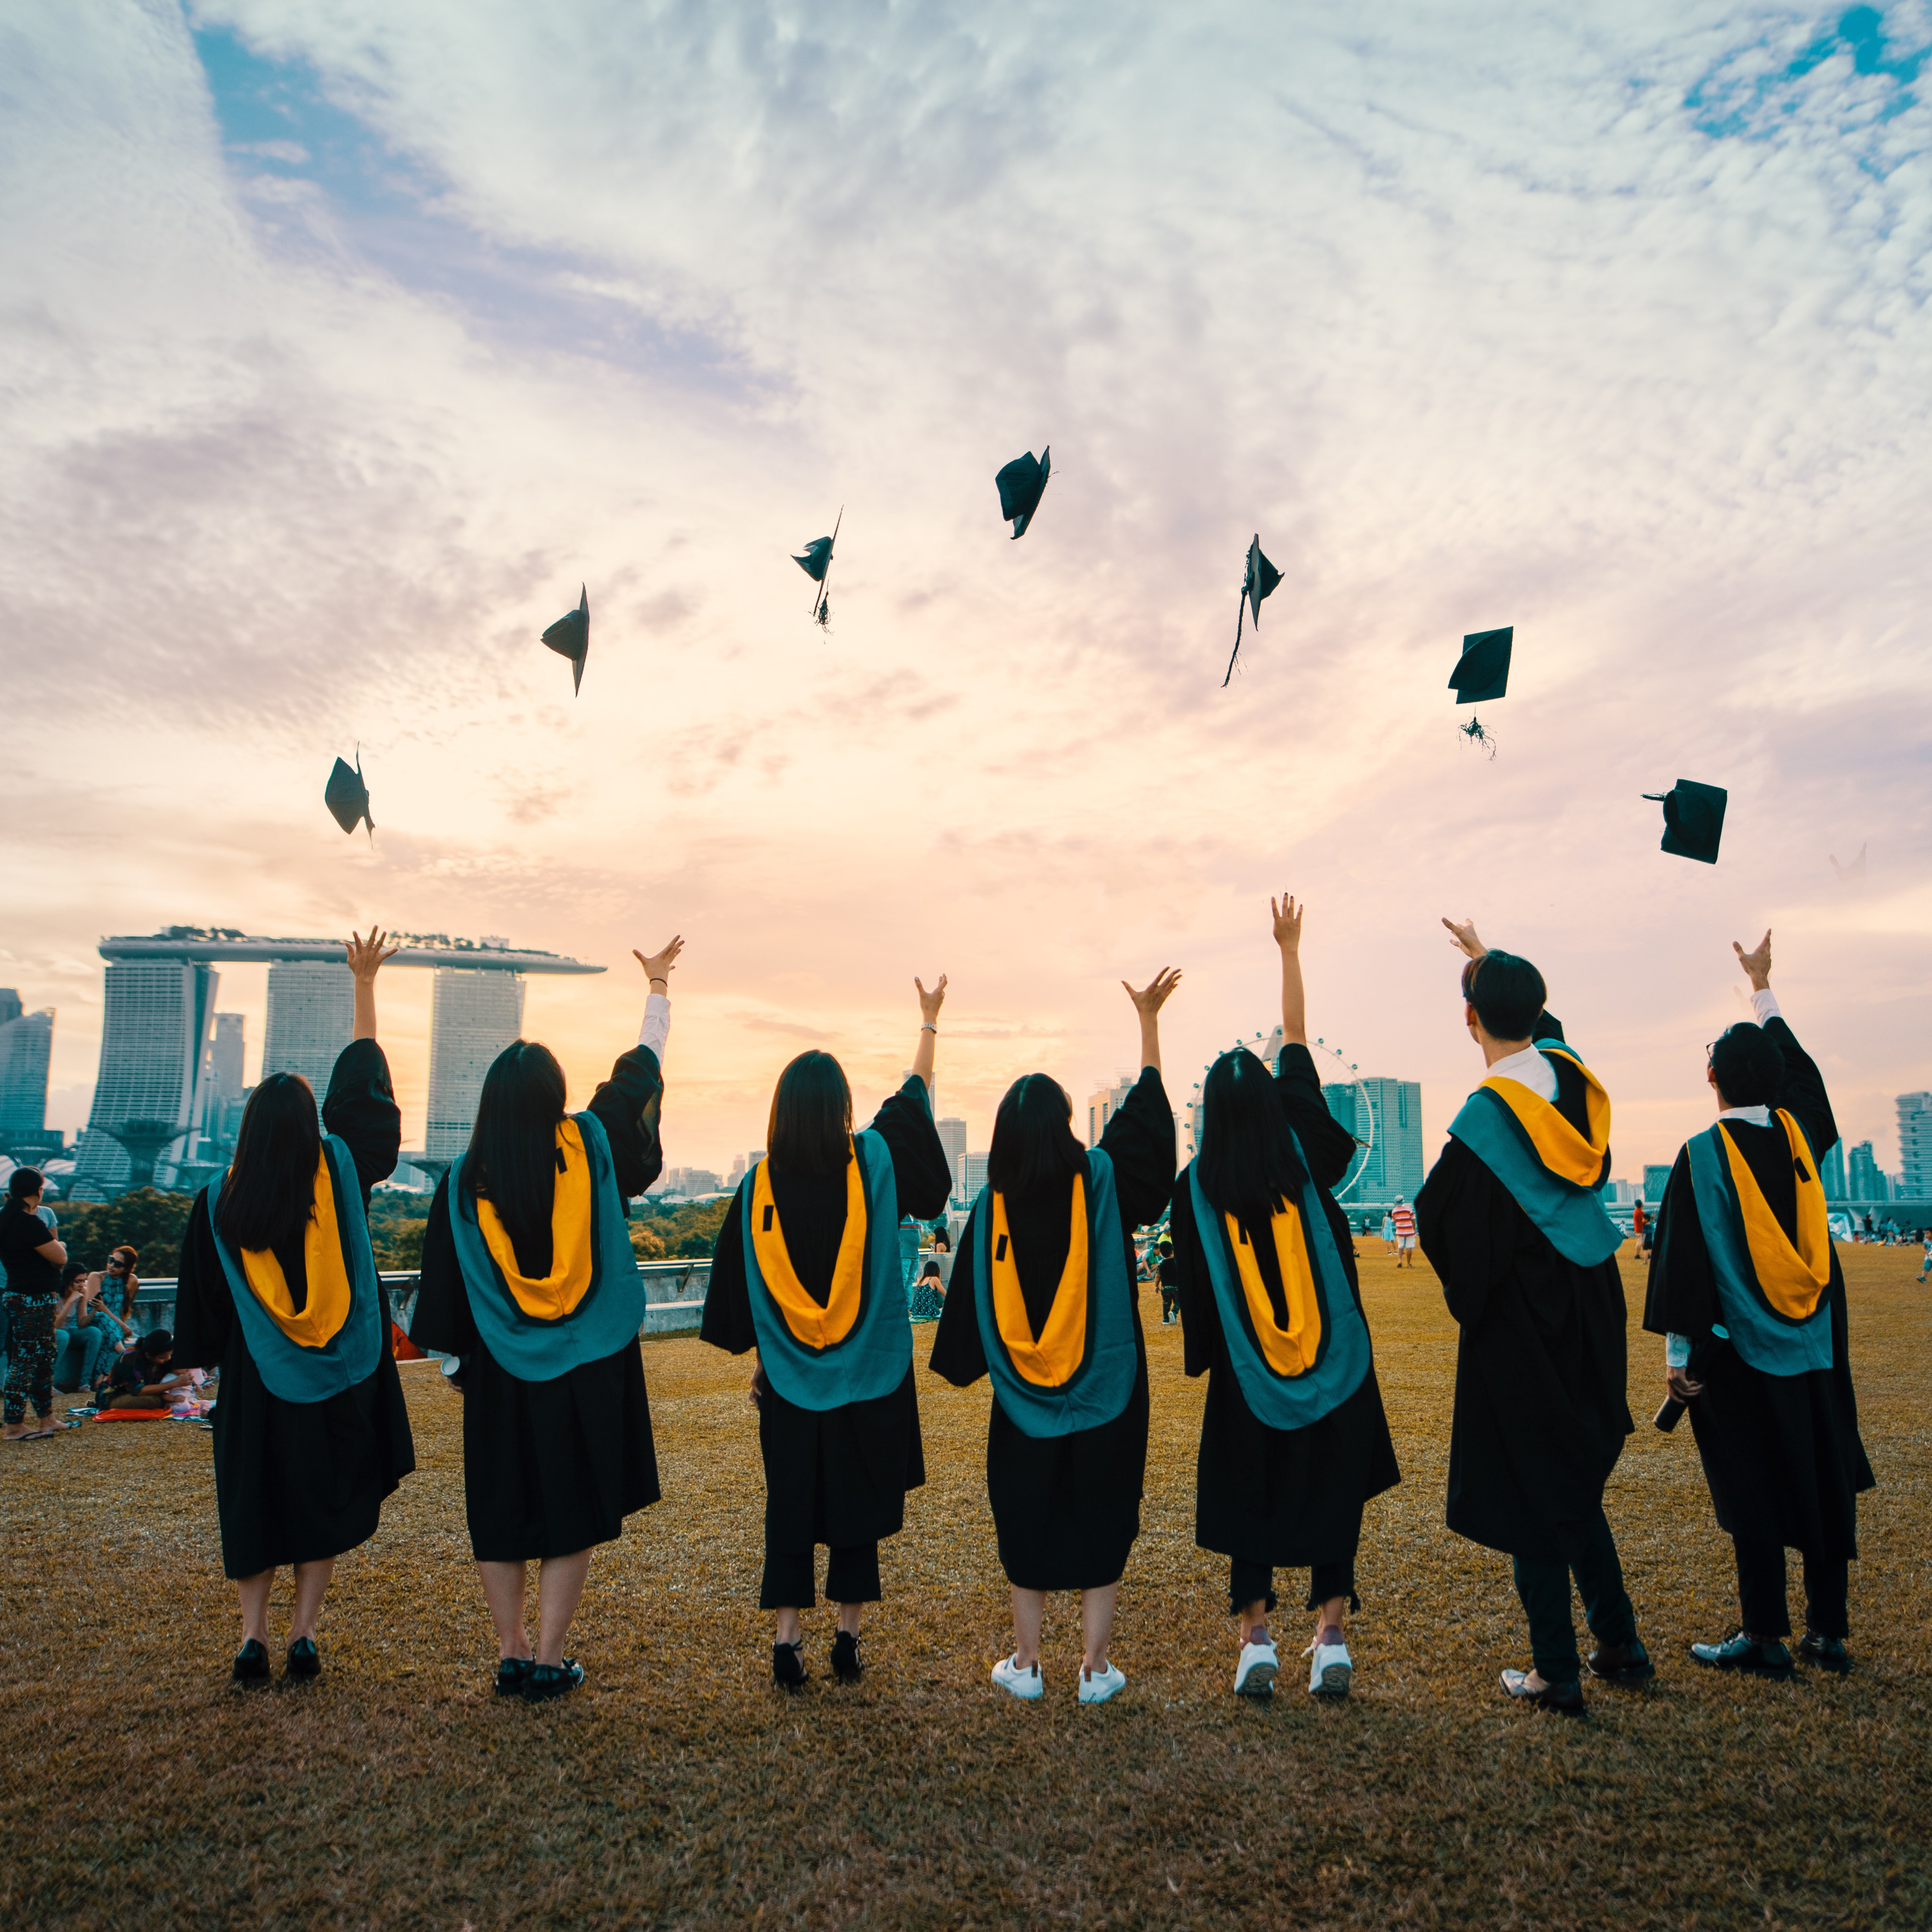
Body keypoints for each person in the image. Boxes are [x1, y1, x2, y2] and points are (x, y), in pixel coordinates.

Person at [412, 938, 680, 1702]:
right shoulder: (591, 1141)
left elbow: (444, 1287)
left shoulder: (464, 1183)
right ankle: (551, 1657)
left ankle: (511, 1648)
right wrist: (658, 990)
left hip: (499, 1366)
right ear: (557, 1095)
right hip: (587, 1365)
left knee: (502, 1508)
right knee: (570, 1509)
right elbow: (639, 1071)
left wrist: (460, 1367)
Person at [1414, 917, 1651, 1716]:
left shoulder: (1485, 1121)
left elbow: (1441, 1219)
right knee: (1572, 1476)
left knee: (1529, 1484)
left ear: (1469, 1019)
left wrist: (1477, 1302)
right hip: (1592, 1295)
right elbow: (1542, 1028)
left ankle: (1556, 1670)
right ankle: (1618, 1640)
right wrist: (1487, 963)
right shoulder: (1572, 1079)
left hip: (1522, 1318)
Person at [1169, 896, 1400, 1699]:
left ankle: (1255, 1639)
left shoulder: (1193, 1188)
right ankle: (1331, 1638)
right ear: (1270, 1103)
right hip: (1335, 1359)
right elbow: (1298, 1038)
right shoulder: (1303, 1147)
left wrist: (1211, 1351)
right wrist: (1289, 950)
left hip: (1248, 1374)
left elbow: (1191, 1289)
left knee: (1251, 1497)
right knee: (1333, 1489)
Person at [172, 929, 417, 1684]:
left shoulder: (217, 1201)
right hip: (338, 1375)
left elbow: (202, 1316)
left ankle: (253, 1639)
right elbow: (363, 1094)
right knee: (320, 1501)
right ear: (312, 1128)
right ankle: (305, 1634)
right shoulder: (340, 1168)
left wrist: (213, 1365)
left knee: (259, 1507)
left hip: (257, 1382)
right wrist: (365, 986)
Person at [931, 971, 1179, 1706]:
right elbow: (1149, 1137)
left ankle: (1028, 1663)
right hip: (1109, 1390)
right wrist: (1149, 1026)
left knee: (1027, 1518)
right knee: (1104, 1515)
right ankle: (1096, 1670)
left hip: (1023, 1405)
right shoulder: (1101, 1177)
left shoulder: (991, 1210)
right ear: (1069, 1127)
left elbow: (965, 1329)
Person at [702, 974, 951, 1689]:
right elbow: (912, 1103)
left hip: (789, 1383)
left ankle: (787, 1644)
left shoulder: (757, 1191)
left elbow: (737, 1296)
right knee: (854, 1507)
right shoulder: (873, 1160)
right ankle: (846, 1642)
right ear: (842, 1108)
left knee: (791, 1506)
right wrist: (928, 1023)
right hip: (869, 1378)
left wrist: (767, 1358)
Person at [1643, 931, 1875, 1678]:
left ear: (1710, 1075)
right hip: (1815, 1349)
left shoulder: (1702, 1154)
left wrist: (1678, 1358)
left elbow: (1682, 1265)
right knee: (1820, 1475)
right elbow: (1805, 1082)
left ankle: (1766, 1636)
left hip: (1738, 1353)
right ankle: (1830, 1633)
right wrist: (1764, 987)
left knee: (1752, 1485)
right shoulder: (1803, 1137)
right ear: (1776, 1083)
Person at [3, 1166, 68, 1441]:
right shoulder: (28, 1222)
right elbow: (61, 1257)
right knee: (26, 1361)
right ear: (37, 1190)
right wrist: (60, 1243)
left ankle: (47, 1418)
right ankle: (14, 1426)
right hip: (34, 1299)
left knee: (43, 1358)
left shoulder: (7, 1219)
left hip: (21, 1295)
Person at [53, 1264, 131, 1394]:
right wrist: (70, 1302)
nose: (82, 1285)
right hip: (54, 1333)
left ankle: (85, 1383)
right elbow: (55, 1326)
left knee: (94, 1332)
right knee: (63, 1335)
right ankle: (48, 1384)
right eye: (78, 1281)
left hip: (68, 1332)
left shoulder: (81, 1294)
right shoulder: (55, 1294)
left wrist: (95, 1310)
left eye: (84, 1281)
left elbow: (82, 1324)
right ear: (68, 1281)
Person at [97, 1331, 188, 1410]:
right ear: (148, 1355)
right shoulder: (130, 1357)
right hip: (115, 1396)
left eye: (170, 1355)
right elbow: (137, 1390)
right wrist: (175, 1383)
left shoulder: (160, 1352)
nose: (168, 1359)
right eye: (163, 1357)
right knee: (155, 1401)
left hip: (143, 1392)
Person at [909, 1258, 946, 1322]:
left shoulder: (920, 1280)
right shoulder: (934, 1279)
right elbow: (945, 1294)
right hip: (929, 1312)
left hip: (916, 1312)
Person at [1155, 1238, 1180, 1325]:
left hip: (1165, 1288)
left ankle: (1165, 1319)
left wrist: (1156, 1286)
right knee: (1178, 1301)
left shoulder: (1161, 1263)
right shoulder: (1176, 1262)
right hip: (1176, 1287)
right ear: (1172, 1251)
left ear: (1161, 1253)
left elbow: (1158, 1276)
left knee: (1166, 1303)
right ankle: (1173, 1312)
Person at [1389, 1196, 1417, 1269]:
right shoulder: (1409, 1209)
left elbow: (1394, 1221)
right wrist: (1414, 1229)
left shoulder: (1394, 1211)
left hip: (1400, 1231)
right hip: (1409, 1230)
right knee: (1409, 1247)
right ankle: (1408, 1264)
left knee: (1400, 1246)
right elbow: (1413, 1221)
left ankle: (1400, 1261)